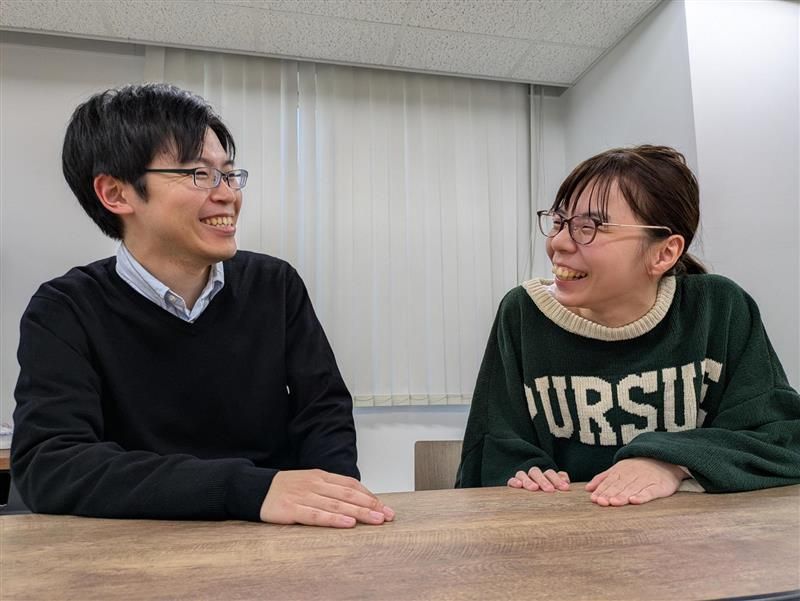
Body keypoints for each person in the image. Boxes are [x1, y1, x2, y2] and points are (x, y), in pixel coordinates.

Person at [11, 83, 394, 528]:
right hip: (139, 545)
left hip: (278, 537)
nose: (227, 194)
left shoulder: (275, 285)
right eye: (198, 173)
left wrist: (334, 500)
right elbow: (52, 464)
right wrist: (247, 489)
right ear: (116, 193)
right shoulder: (65, 309)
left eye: (228, 174)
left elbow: (323, 411)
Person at [456, 145, 800, 506]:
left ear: (664, 253)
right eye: (559, 222)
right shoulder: (523, 313)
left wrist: (671, 462)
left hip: (693, 532)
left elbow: (781, 437)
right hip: (563, 526)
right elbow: (492, 446)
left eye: (588, 227)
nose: (558, 243)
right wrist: (523, 472)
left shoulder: (718, 309)